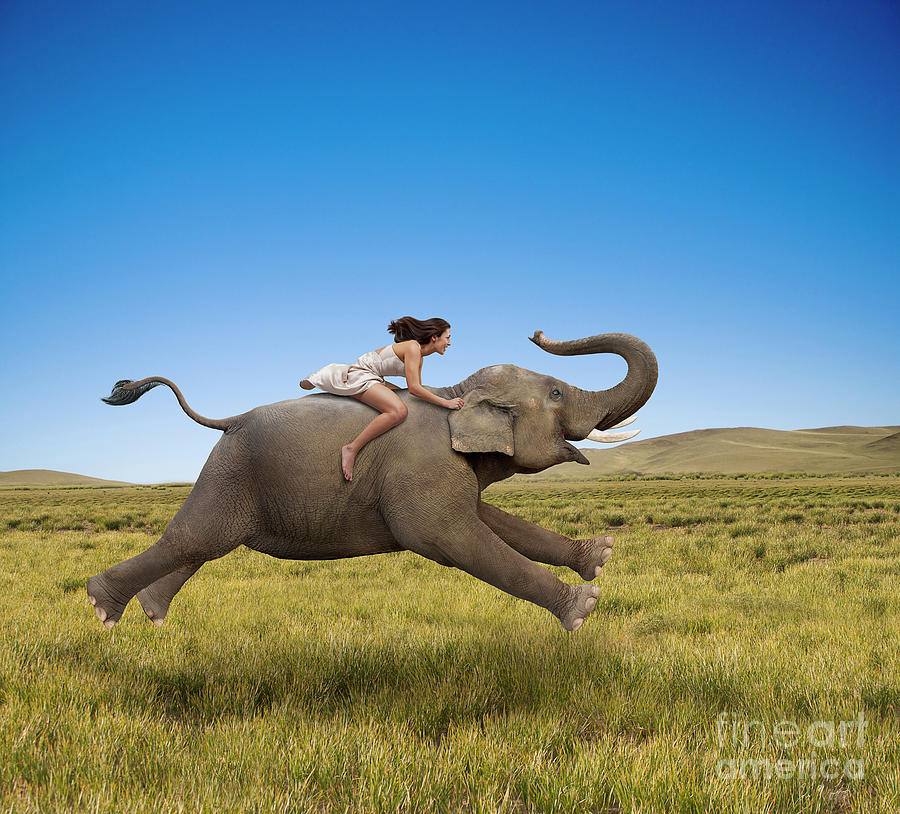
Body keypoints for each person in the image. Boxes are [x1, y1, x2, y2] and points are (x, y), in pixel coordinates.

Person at [300, 316, 464, 481]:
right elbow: (415, 389)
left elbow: (414, 389)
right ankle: (352, 448)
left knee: (403, 397)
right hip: (364, 373)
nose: (449, 343)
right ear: (435, 337)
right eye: (447, 338)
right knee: (398, 411)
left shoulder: (419, 357)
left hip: (376, 377)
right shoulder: (413, 348)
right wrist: (446, 403)